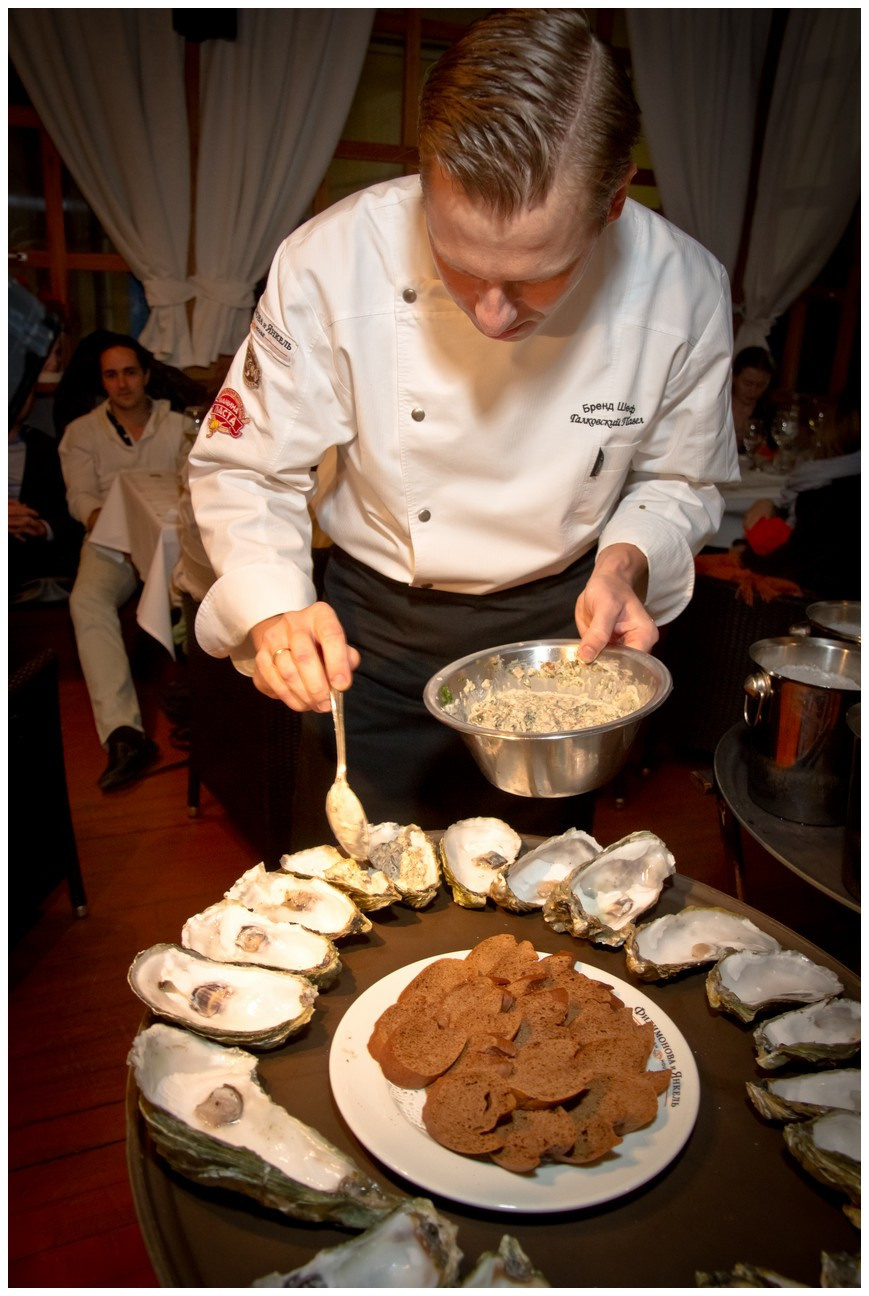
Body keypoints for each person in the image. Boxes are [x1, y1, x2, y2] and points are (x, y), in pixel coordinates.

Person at [189, 9, 738, 847]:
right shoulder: (328, 262)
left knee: (538, 917)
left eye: (535, 277)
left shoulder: (684, 289)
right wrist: (273, 611)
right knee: (357, 898)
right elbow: (248, 469)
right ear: (424, 178)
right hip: (372, 640)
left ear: (615, 201)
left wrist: (626, 561)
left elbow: (680, 479)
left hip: (564, 645)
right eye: (458, 265)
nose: (489, 313)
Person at [59, 333, 187, 791]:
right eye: (111, 375)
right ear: (102, 382)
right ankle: (124, 733)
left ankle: (200, 707)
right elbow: (81, 500)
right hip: (111, 544)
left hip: (171, 545)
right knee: (86, 601)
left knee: (202, 592)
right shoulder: (81, 432)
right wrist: (123, 526)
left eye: (130, 372)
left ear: (147, 375)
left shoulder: (178, 426)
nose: (122, 382)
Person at [9, 390, 83, 600]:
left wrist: (43, 528)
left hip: (33, 550)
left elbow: (71, 512)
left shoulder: (48, 448)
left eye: (24, 393)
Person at [731, 346, 775, 449]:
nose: (753, 391)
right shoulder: (718, 406)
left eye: (760, 385)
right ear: (734, 378)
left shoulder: (767, 412)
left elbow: (774, 451)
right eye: (747, 383)